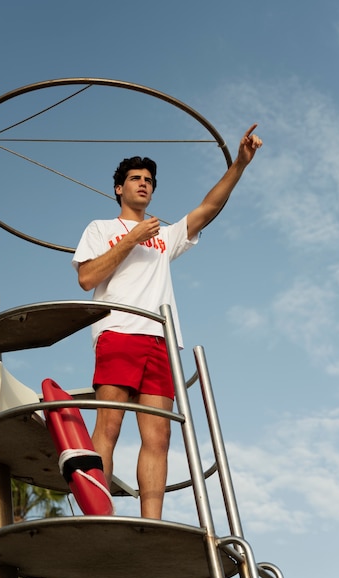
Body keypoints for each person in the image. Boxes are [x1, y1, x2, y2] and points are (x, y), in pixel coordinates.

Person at [72, 124, 262, 519]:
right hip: (119, 332)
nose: (143, 184)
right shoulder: (101, 229)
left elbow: (208, 209)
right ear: (118, 189)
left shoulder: (165, 236)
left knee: (159, 435)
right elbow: (88, 277)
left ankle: (150, 525)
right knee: (109, 426)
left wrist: (240, 166)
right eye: (135, 179)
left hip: (161, 341)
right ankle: (98, 517)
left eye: (149, 181)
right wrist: (132, 237)